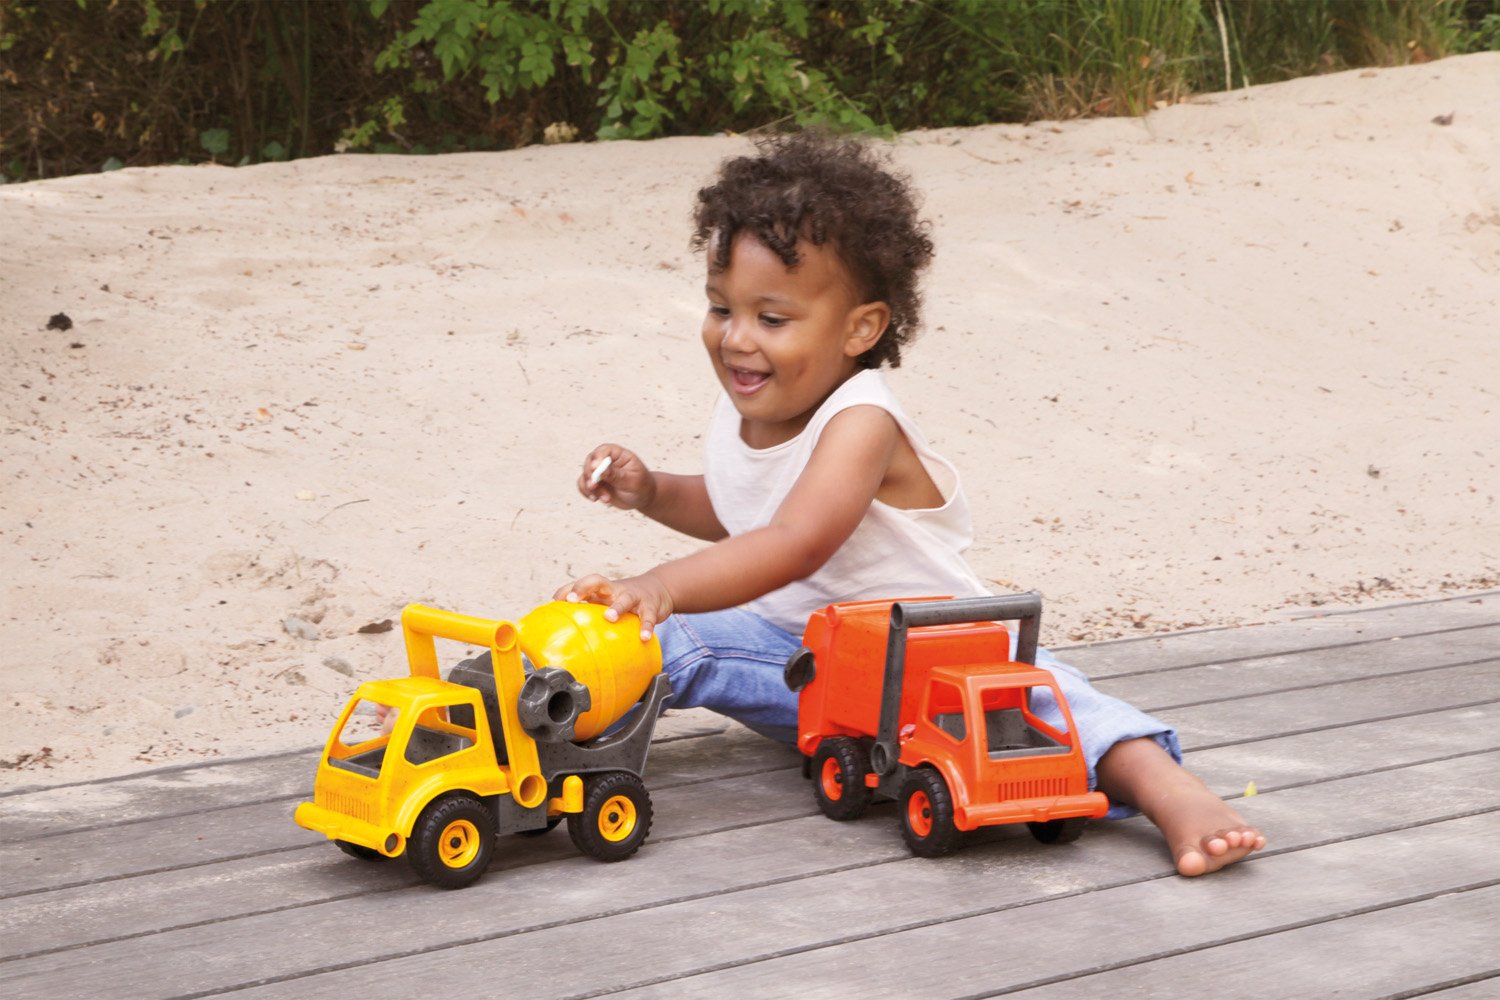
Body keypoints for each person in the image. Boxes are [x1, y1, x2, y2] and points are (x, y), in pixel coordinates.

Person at [555, 132, 1264, 877]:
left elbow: (795, 540)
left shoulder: (862, 421)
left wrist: (662, 583)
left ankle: (1172, 793)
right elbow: (741, 514)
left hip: (928, 657)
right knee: (651, 639)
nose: (736, 339)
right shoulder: (748, 406)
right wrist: (654, 491)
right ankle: (549, 726)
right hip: (803, 665)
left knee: (1055, 705)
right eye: (720, 307)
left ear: (860, 328)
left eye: (772, 319)